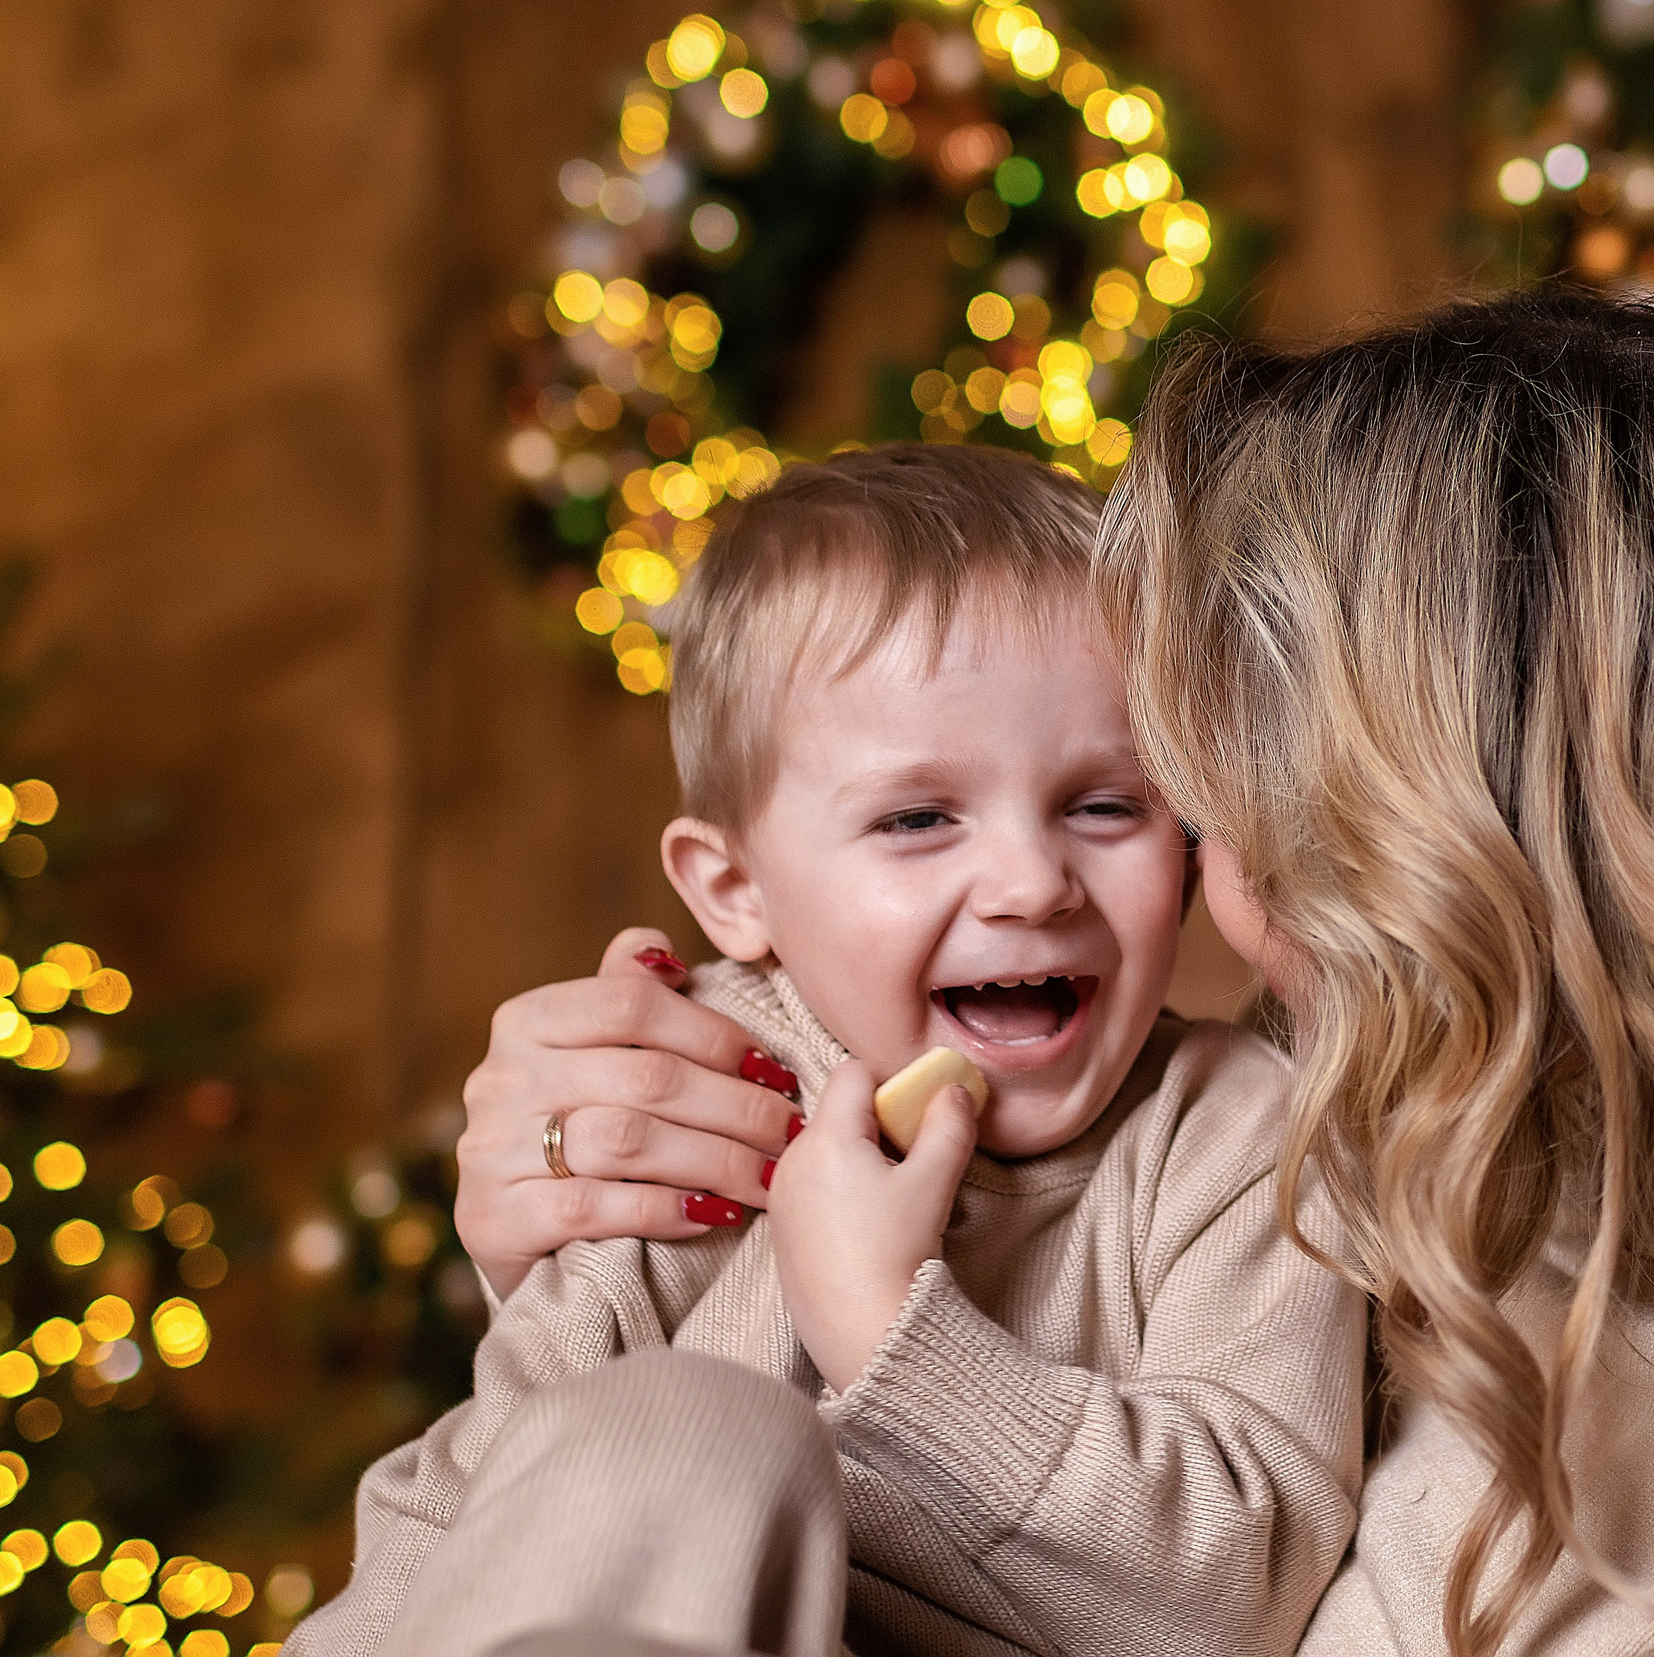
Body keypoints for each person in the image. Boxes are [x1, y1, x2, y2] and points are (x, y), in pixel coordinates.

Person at [440, 291, 1654, 1656]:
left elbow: (1199, 1566)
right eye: (918, 818)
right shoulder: (1423, 1202)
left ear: (1453, 844)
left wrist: (877, 1349)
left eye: (1162, 803)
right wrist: (584, 1210)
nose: (1195, 912)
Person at [295, 445, 1365, 1657]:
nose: (1029, 881)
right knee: (677, 1427)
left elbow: (1229, 1603)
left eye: (1104, 804)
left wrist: (890, 1332)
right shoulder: (698, 1093)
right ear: (735, 888)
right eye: (917, 818)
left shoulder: (1236, 1137)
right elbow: (476, 1511)